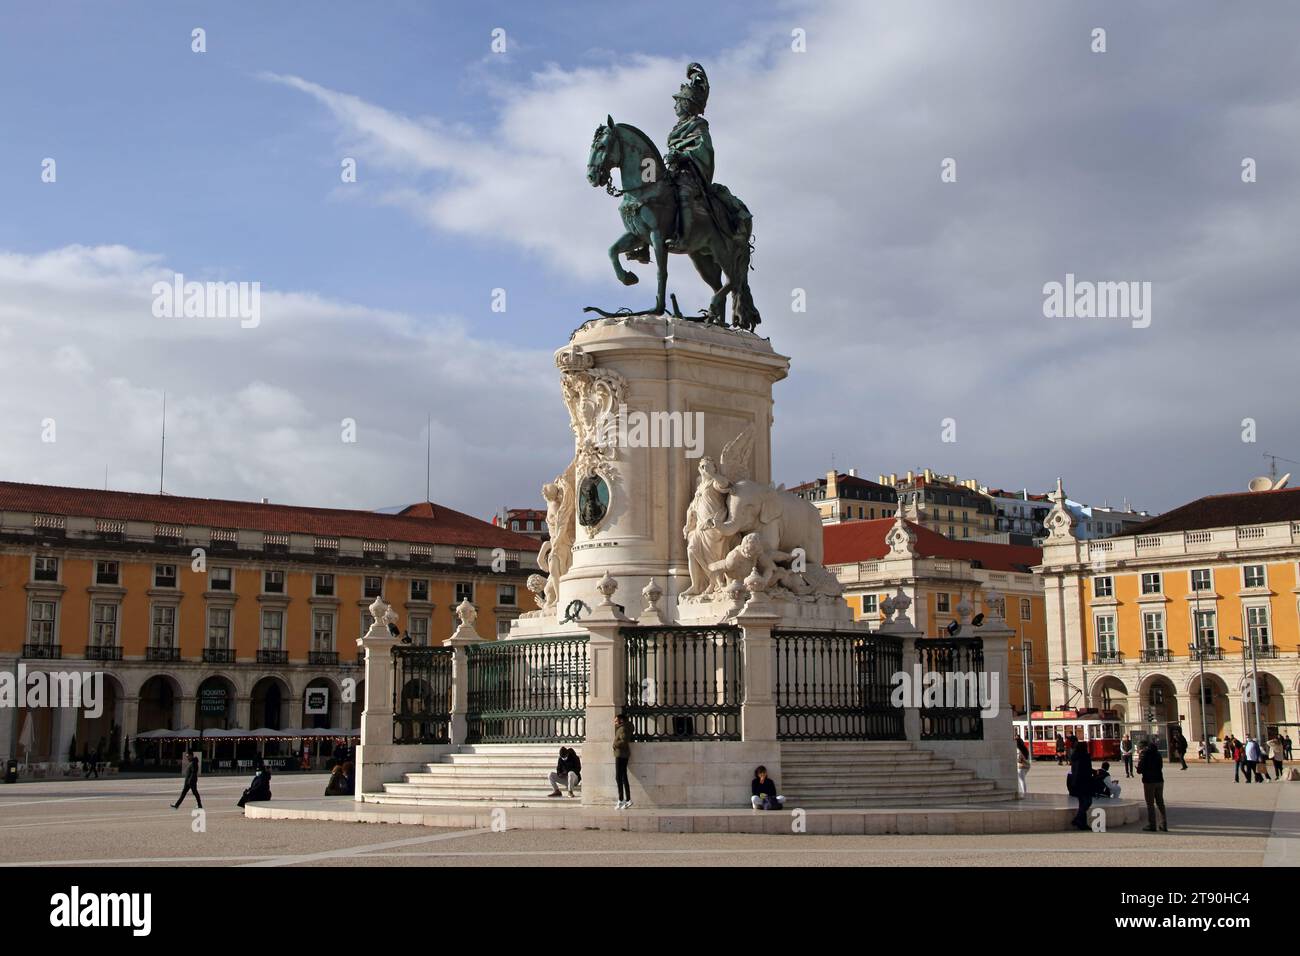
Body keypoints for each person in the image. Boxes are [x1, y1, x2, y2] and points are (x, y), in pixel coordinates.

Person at [1136, 738, 1167, 831]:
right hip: (1159, 780)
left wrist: (1138, 767)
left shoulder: (1144, 755)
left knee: (1150, 804)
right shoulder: (1157, 754)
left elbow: (1140, 770)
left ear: (1142, 747)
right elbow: (1160, 766)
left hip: (1149, 781)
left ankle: (1152, 825)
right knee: (1160, 803)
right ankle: (1164, 824)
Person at [1069, 741, 1093, 831]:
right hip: (1084, 782)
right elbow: (1084, 769)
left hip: (1076, 782)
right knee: (1087, 801)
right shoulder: (1084, 757)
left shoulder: (1075, 757)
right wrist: (1092, 772)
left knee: (1082, 803)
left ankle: (1082, 823)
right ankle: (1078, 819)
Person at [613, 714, 633, 809]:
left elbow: (624, 741)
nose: (615, 722)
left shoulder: (622, 729)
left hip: (620, 754)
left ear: (621, 720)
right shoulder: (624, 727)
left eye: (616, 721)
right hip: (623, 754)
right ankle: (628, 799)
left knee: (618, 777)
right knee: (624, 777)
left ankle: (621, 799)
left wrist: (615, 744)